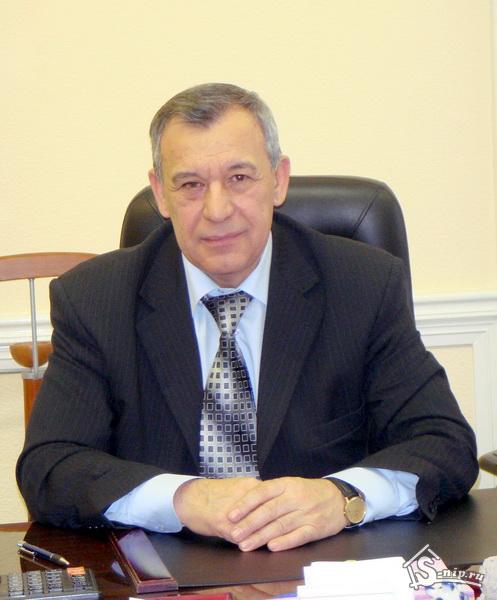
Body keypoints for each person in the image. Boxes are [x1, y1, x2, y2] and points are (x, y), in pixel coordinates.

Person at [17, 83, 478, 553]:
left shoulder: (362, 285)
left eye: (239, 177)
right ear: (160, 194)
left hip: (325, 566)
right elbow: (49, 467)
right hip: (168, 568)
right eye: (190, 185)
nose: (217, 210)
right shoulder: (95, 300)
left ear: (278, 180)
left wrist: (343, 497)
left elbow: (444, 443)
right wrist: (181, 498)